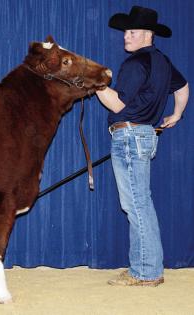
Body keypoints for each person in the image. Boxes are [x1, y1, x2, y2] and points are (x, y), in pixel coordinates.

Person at [96, 6, 189, 286]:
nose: (126, 36)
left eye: (132, 32)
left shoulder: (135, 64)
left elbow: (117, 103)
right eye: (126, 31)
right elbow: (183, 88)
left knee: (136, 206)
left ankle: (147, 272)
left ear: (148, 35)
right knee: (138, 204)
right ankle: (141, 267)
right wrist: (177, 114)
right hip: (144, 136)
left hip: (130, 137)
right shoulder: (162, 61)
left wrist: (96, 84)